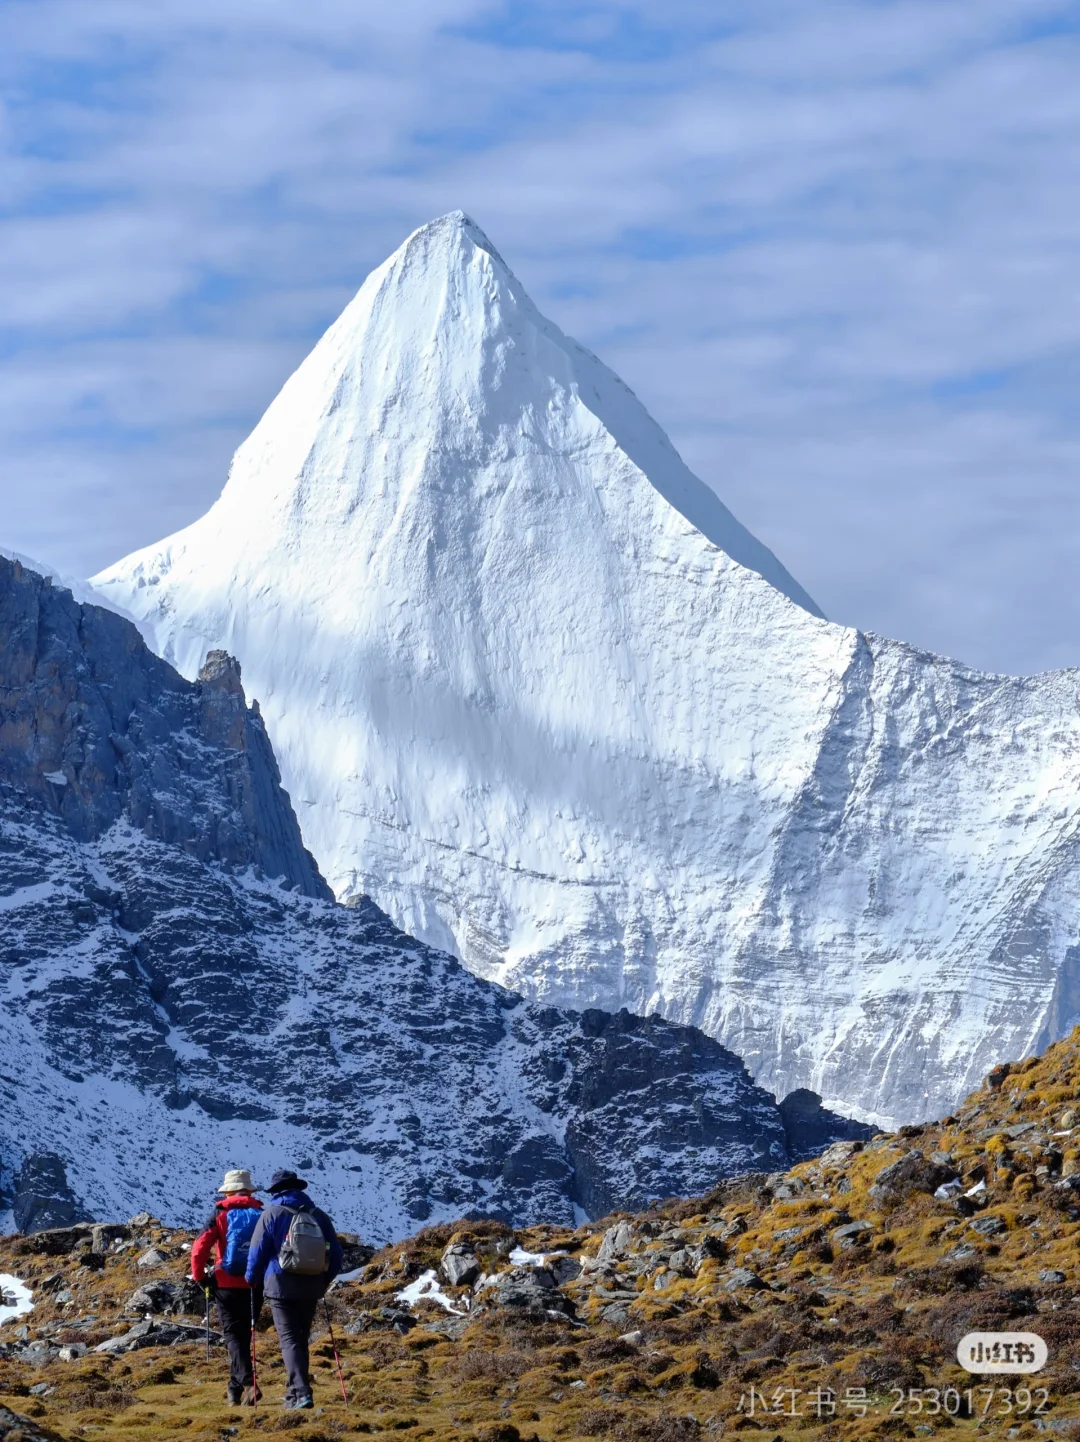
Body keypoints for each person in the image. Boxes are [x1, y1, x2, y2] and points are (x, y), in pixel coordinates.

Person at [245, 1168, 343, 1410]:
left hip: (280, 1286)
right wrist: (324, 1279)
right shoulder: (318, 1215)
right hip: (312, 1286)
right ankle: (294, 1393)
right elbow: (337, 1254)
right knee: (300, 1339)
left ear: (276, 1191)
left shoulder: (271, 1214)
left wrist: (252, 1279)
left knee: (290, 1340)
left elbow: (256, 1253)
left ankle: (300, 1393)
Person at [190, 1168, 265, 1406]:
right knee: (243, 1336)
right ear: (248, 1190)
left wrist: (200, 1277)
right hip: (255, 1283)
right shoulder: (261, 1213)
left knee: (233, 1335)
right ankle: (234, 1390)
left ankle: (249, 1384)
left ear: (228, 1191)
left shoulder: (220, 1214)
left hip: (225, 1283)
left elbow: (199, 1249)